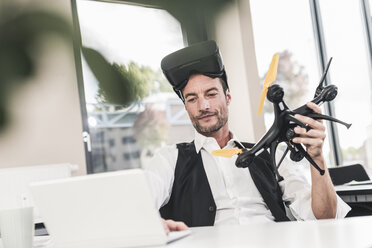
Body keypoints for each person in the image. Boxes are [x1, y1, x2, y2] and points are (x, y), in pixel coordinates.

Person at [145, 40, 350, 231]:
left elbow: (325, 219)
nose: (203, 106)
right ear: (186, 107)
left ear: (228, 97)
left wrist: (316, 157)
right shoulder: (170, 159)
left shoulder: (270, 155)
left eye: (211, 94)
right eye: (192, 99)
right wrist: (156, 227)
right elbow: (139, 205)